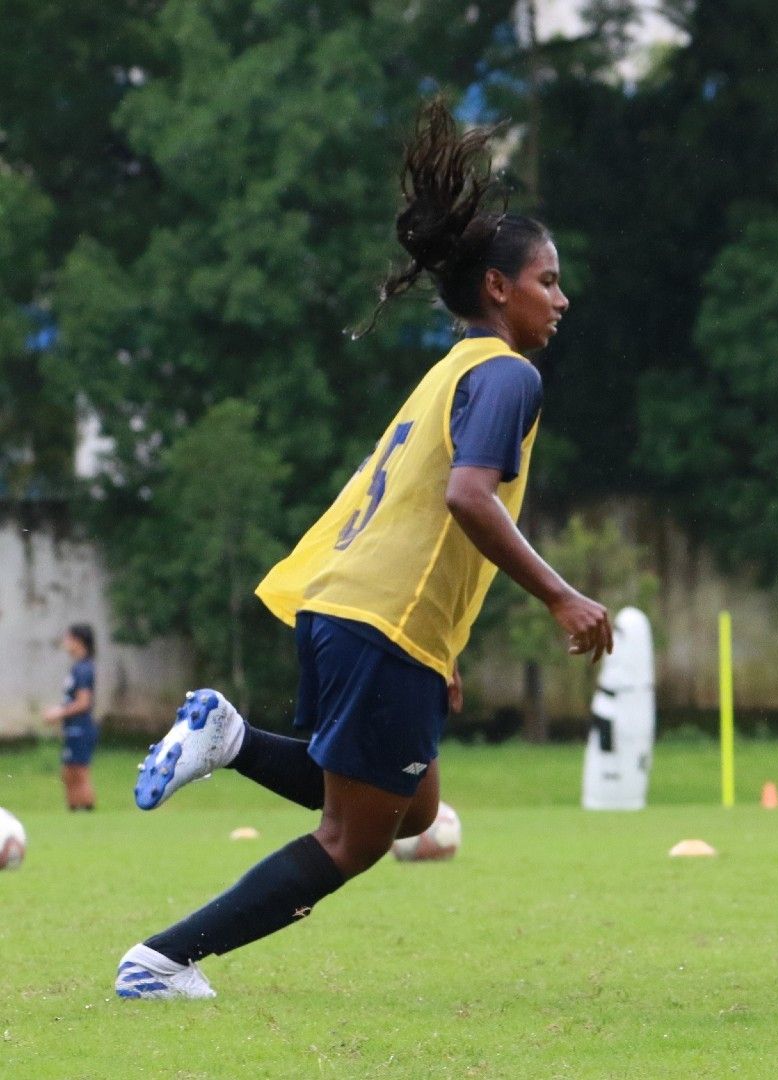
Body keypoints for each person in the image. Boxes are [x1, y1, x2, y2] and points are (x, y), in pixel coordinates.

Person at [112, 97, 612, 1000]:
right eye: (548, 280)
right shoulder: (507, 373)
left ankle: (228, 736)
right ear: (498, 288)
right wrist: (561, 595)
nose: (561, 297)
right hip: (382, 620)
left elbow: (418, 505)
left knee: (410, 806)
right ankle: (162, 961)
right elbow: (466, 498)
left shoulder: (451, 368)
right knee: (353, 840)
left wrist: (438, 654)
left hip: (346, 607)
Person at [41, 624, 98, 811]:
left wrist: (59, 712)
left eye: (68, 638)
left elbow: (83, 702)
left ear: (78, 641)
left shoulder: (83, 669)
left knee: (80, 772)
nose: (65, 643)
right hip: (73, 728)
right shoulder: (77, 668)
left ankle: (89, 813)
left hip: (81, 728)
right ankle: (73, 814)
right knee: (68, 772)